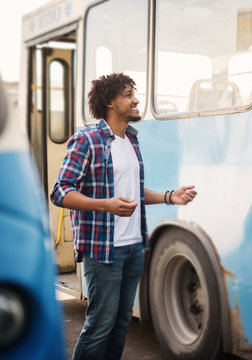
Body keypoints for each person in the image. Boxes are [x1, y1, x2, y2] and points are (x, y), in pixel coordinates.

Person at [50, 73, 197, 360]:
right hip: (104, 251)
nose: (136, 100)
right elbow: (60, 191)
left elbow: (132, 191)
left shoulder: (130, 139)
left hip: (133, 247)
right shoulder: (87, 140)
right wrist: (106, 205)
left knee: (120, 325)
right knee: (99, 326)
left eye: (134, 94)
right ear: (110, 102)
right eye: (129, 94)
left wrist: (169, 196)